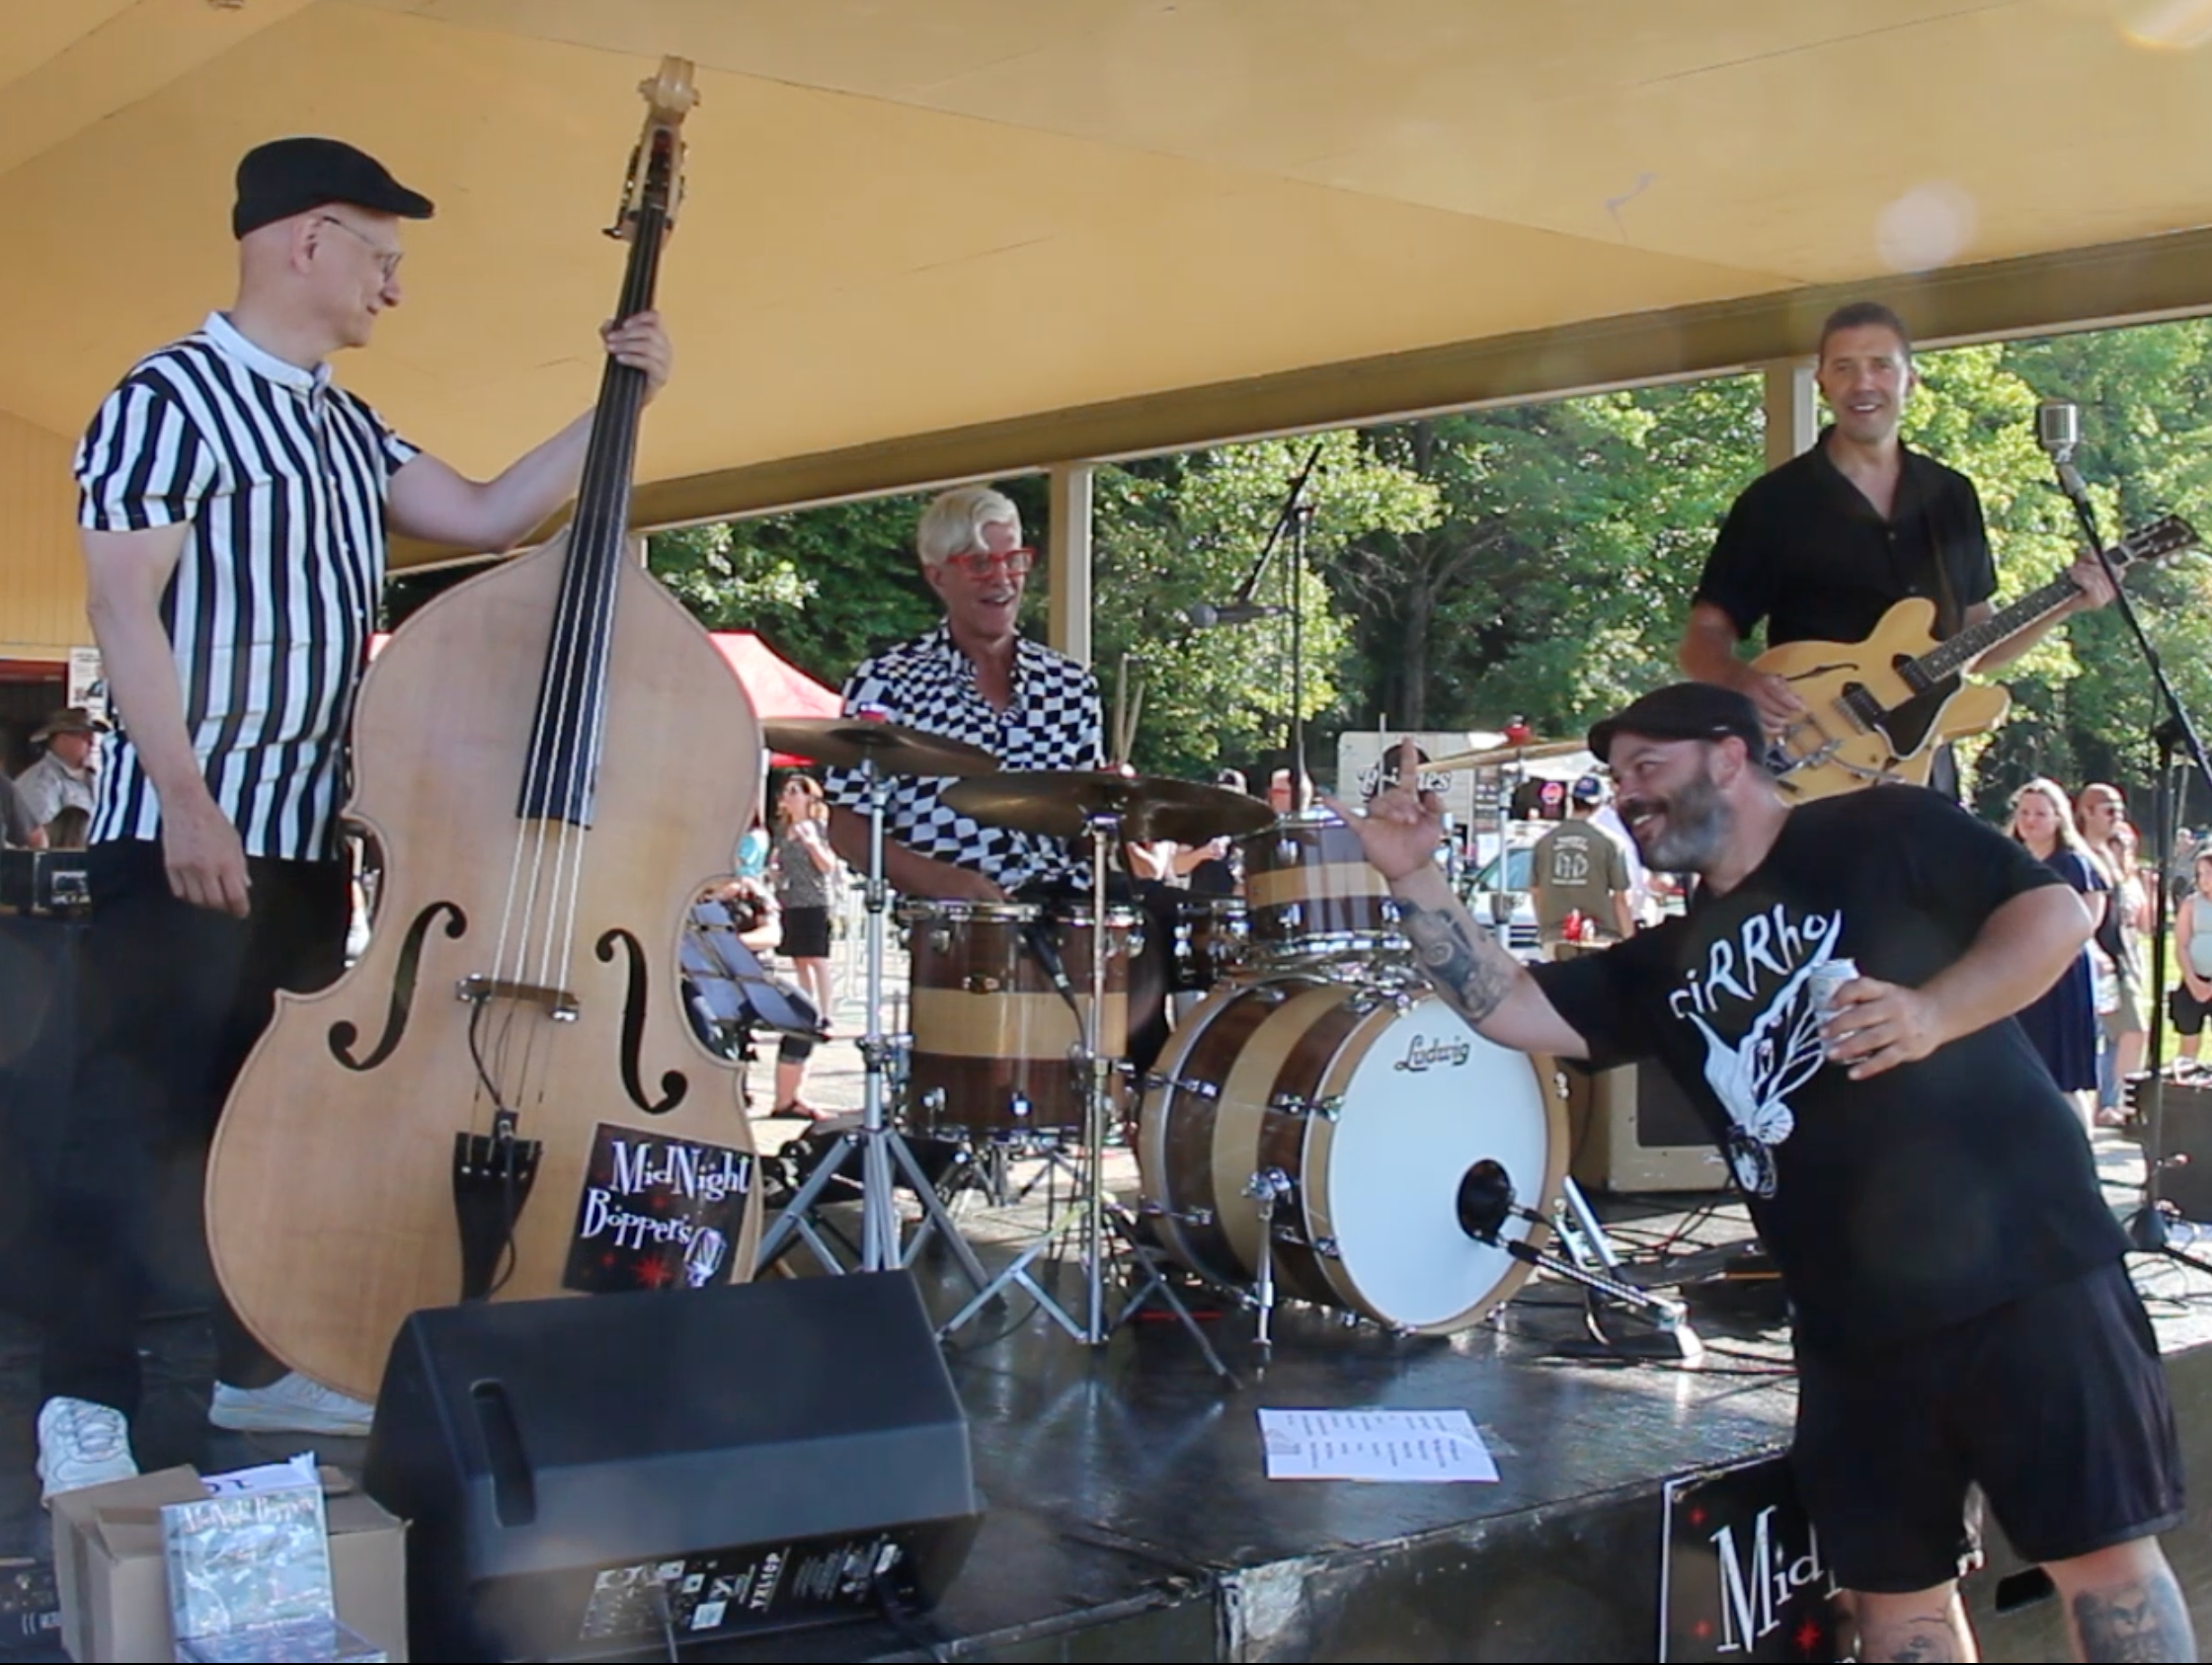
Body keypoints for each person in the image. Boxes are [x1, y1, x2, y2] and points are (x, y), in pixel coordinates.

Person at [41, 135, 674, 1500]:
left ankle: (249, 1361)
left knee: (266, 1118)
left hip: (305, 836)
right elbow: (120, 610)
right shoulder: (167, 398)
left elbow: (490, 512)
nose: (394, 284)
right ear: (305, 240)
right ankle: (80, 1402)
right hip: (185, 825)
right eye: (380, 255)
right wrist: (188, 800)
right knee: (131, 1117)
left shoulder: (344, 425)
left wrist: (618, 398)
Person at [1330, 686, 2189, 1664]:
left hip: (2026, 1270)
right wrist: (1412, 874)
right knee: (1894, 1606)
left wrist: (1932, 1013)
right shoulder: (1665, 961)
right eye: (1616, 778)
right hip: (1851, 1326)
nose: (1626, 795)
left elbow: (2054, 914)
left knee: (2106, 1570)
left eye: (1646, 768)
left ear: (1729, 755)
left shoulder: (1880, 827)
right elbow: (1510, 1008)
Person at [1679, 301, 2112, 775]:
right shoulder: (1774, 502)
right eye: (1844, 367)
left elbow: (1977, 645)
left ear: (1910, 380)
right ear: (1822, 382)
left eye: (1881, 366)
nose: (1863, 383)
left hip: (1922, 763)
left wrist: (2066, 602)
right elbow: (1702, 636)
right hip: (1811, 764)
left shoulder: (1952, 495)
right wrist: (1737, 679)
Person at [824, 486, 1100, 901]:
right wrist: (940, 882)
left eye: (1013, 560)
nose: (1002, 579)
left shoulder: (1071, 687)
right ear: (937, 576)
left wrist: (1123, 812)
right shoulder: (889, 681)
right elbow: (847, 827)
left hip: (1058, 912)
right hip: (945, 923)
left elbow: (1085, 829)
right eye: (980, 563)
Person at [2008, 777, 2109, 1129]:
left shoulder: (2072, 864)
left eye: (2040, 813)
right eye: (2024, 812)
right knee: (2022, 1071)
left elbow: (2088, 919)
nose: (2030, 820)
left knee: (2063, 1078)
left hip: (2061, 974)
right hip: (2018, 976)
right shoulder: (2012, 861)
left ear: (2058, 818)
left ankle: (2079, 1150)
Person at [2077, 783, 2152, 1122]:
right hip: (2094, 957)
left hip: (2118, 957)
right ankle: (2108, 1102)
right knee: (2107, 1033)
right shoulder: (2079, 855)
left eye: (2120, 811)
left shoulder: (2109, 854)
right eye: (2109, 810)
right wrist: (2091, 948)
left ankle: (2114, 1101)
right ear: (2087, 811)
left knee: (2128, 1031)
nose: (2116, 817)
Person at [767, 773, 838, 1116]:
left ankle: (825, 1013)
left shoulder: (817, 828)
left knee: (817, 959)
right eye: (788, 792)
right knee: (799, 960)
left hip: (814, 902)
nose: (790, 796)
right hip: (791, 901)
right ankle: (807, 1007)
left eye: (797, 791)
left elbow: (828, 866)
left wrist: (812, 844)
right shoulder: (783, 831)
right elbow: (778, 865)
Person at [1528, 775, 1633, 953]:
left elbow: (1536, 892)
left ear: (1571, 800)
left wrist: (1545, 929)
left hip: (1555, 937)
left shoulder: (1544, 842)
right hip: (1601, 937)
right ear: (1599, 804)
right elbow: (1620, 898)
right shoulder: (1610, 843)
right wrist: (1630, 940)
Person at [15, 708, 105, 830]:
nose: (92, 743)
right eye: (84, 737)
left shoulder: (96, 777)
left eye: (93, 736)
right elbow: (45, 834)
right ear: (62, 739)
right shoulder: (39, 782)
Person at [2172, 847, 2212, 1069]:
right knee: (2188, 1043)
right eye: (2200, 874)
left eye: (2209, 872)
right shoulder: (2191, 903)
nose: (2204, 879)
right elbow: (2181, 945)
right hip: (2194, 980)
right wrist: (2192, 979)